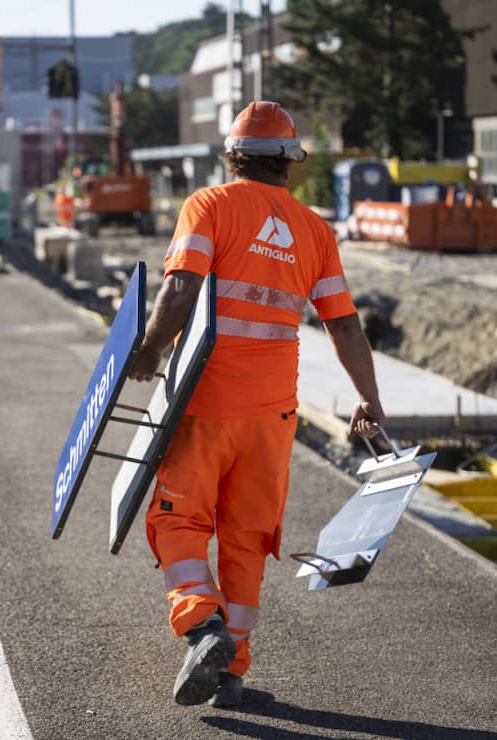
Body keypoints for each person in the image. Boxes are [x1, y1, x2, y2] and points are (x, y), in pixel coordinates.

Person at [128, 101, 385, 709]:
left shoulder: (210, 206)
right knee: (247, 540)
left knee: (178, 520)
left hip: (206, 403)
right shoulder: (316, 230)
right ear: (290, 162)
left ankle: (202, 625)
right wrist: (368, 399)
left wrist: (148, 350)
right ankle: (232, 671)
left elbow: (182, 284)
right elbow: (345, 327)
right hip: (274, 417)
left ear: (233, 155)